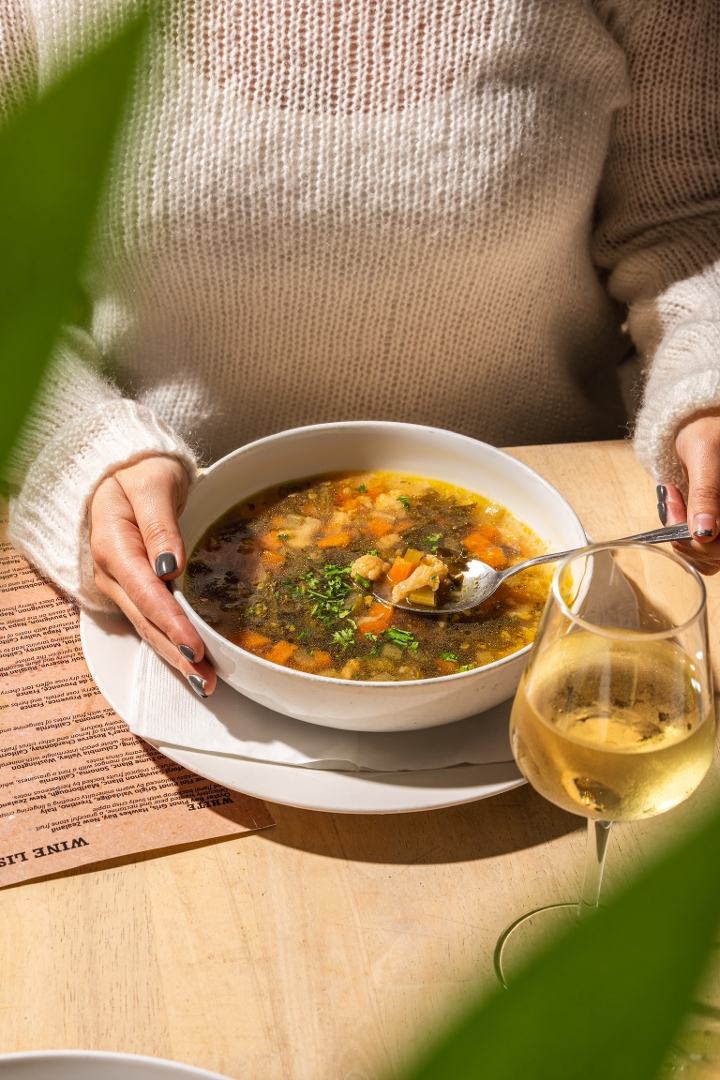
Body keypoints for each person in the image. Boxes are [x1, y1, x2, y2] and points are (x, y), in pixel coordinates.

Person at [4, 0, 720, 698]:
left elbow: (684, 221)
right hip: (163, 579)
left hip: (586, 544)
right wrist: (78, 449)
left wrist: (705, 379)